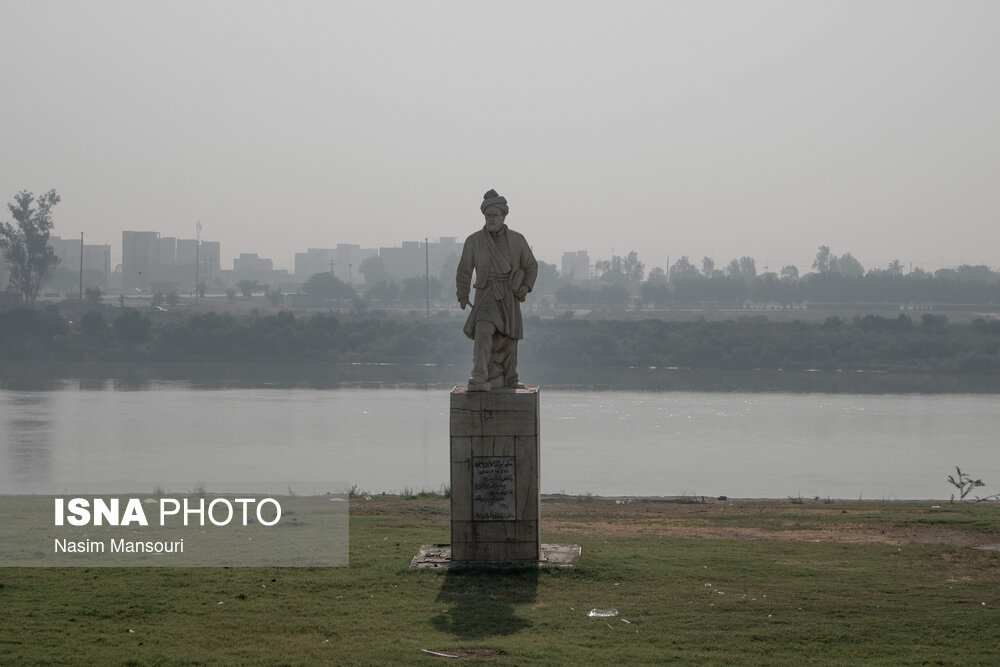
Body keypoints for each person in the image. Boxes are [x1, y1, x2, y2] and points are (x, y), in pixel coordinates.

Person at [456, 189, 538, 391]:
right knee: (483, 330)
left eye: (495, 215)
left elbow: (531, 266)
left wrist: (525, 287)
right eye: (488, 215)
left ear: (503, 216)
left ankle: (510, 377)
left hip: (509, 294)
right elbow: (464, 270)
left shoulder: (517, 240)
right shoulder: (474, 241)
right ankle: (479, 375)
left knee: (510, 338)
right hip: (486, 294)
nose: (491, 219)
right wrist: (463, 294)